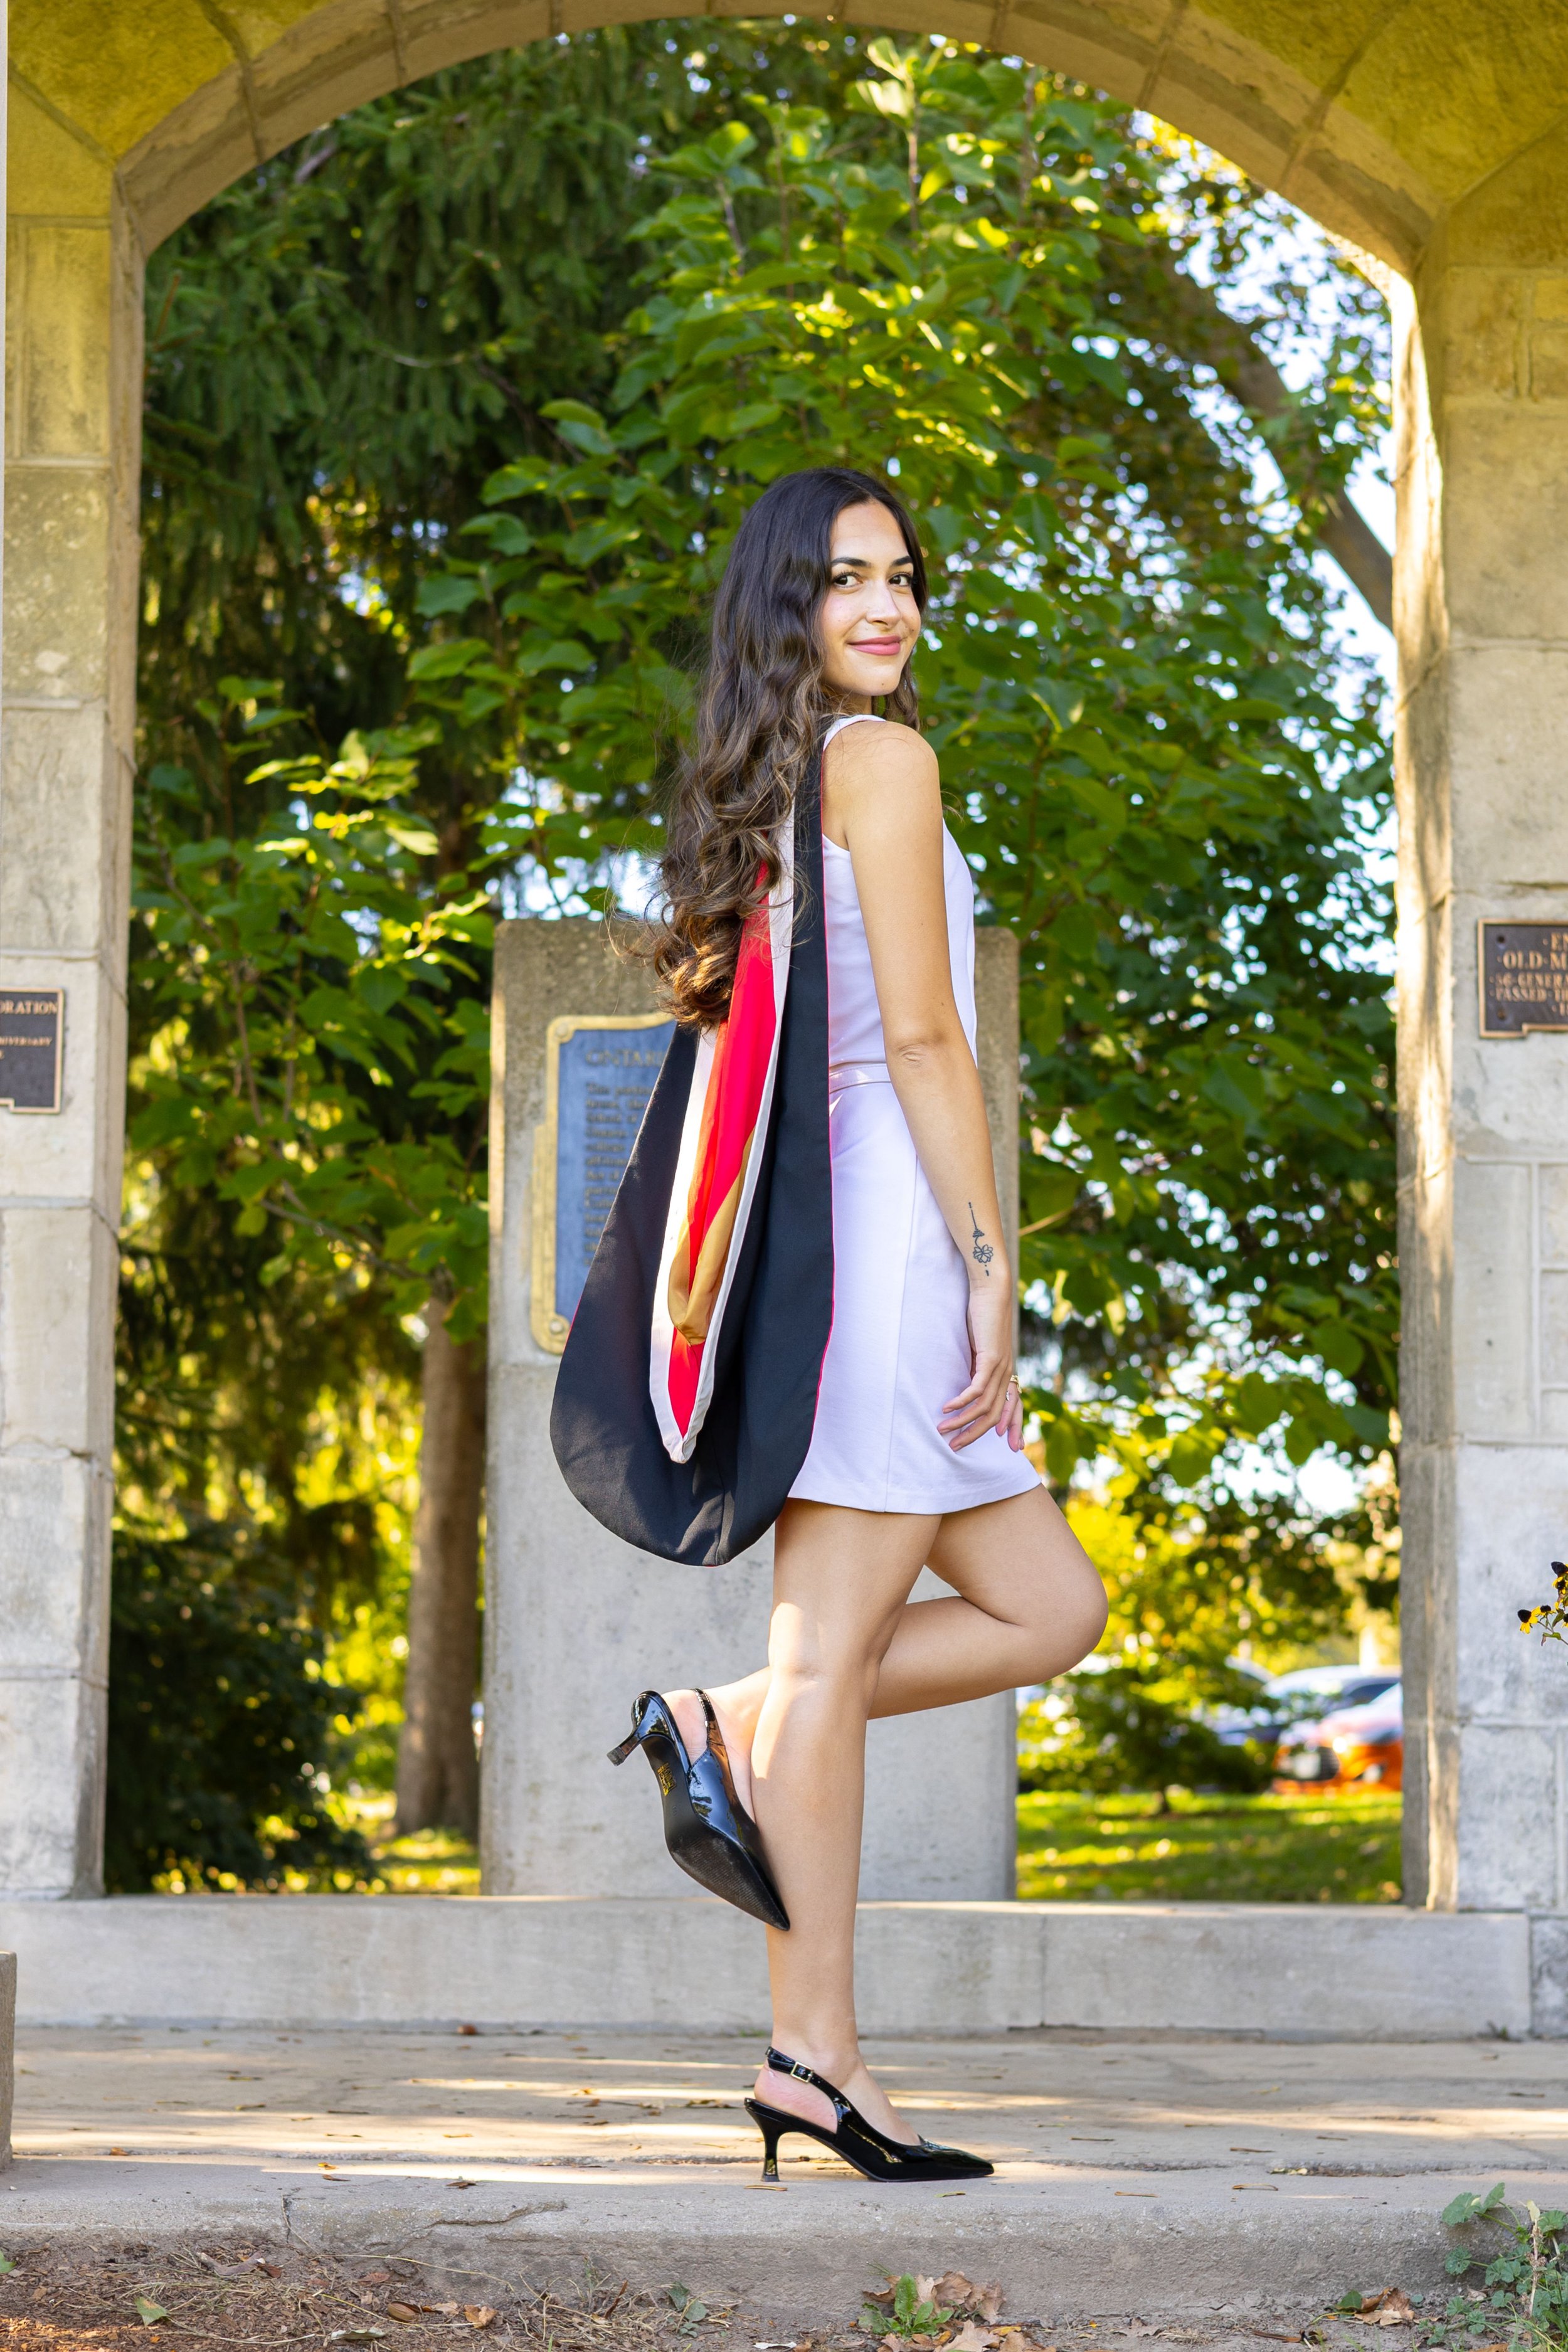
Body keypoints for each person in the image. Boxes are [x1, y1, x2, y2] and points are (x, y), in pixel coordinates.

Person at [556, 467, 1108, 2183]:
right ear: (785, 602)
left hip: (850, 1227)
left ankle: (726, 1716)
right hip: (888, 1242)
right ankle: (817, 2059)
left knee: (1045, 1605)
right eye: (842, 578)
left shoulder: (785, 780)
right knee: (831, 1671)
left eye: (901, 575)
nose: (883, 605)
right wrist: (988, 1259)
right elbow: (930, 1046)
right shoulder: (880, 763)